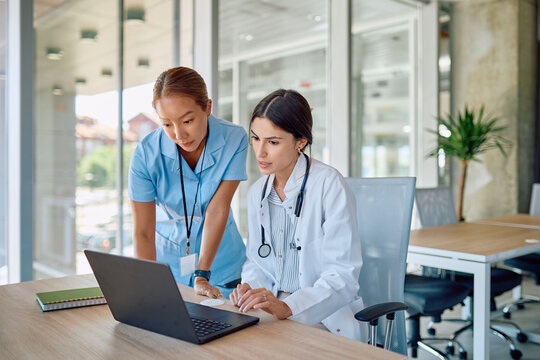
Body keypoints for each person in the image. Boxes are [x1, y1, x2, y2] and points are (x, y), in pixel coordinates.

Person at [230, 89, 364, 339]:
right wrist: (250, 291)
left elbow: (342, 276)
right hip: (270, 313)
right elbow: (257, 263)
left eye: (273, 142)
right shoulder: (257, 192)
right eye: (256, 138)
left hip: (323, 316)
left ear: (300, 141)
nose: (260, 152)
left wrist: (289, 307)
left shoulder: (328, 184)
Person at [128, 66, 247, 299]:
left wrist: (202, 274)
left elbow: (217, 209)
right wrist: (146, 285)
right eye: (167, 124)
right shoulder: (145, 155)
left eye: (188, 121)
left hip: (221, 266)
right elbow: (143, 232)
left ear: (208, 107)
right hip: (167, 267)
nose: (179, 134)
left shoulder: (234, 139)